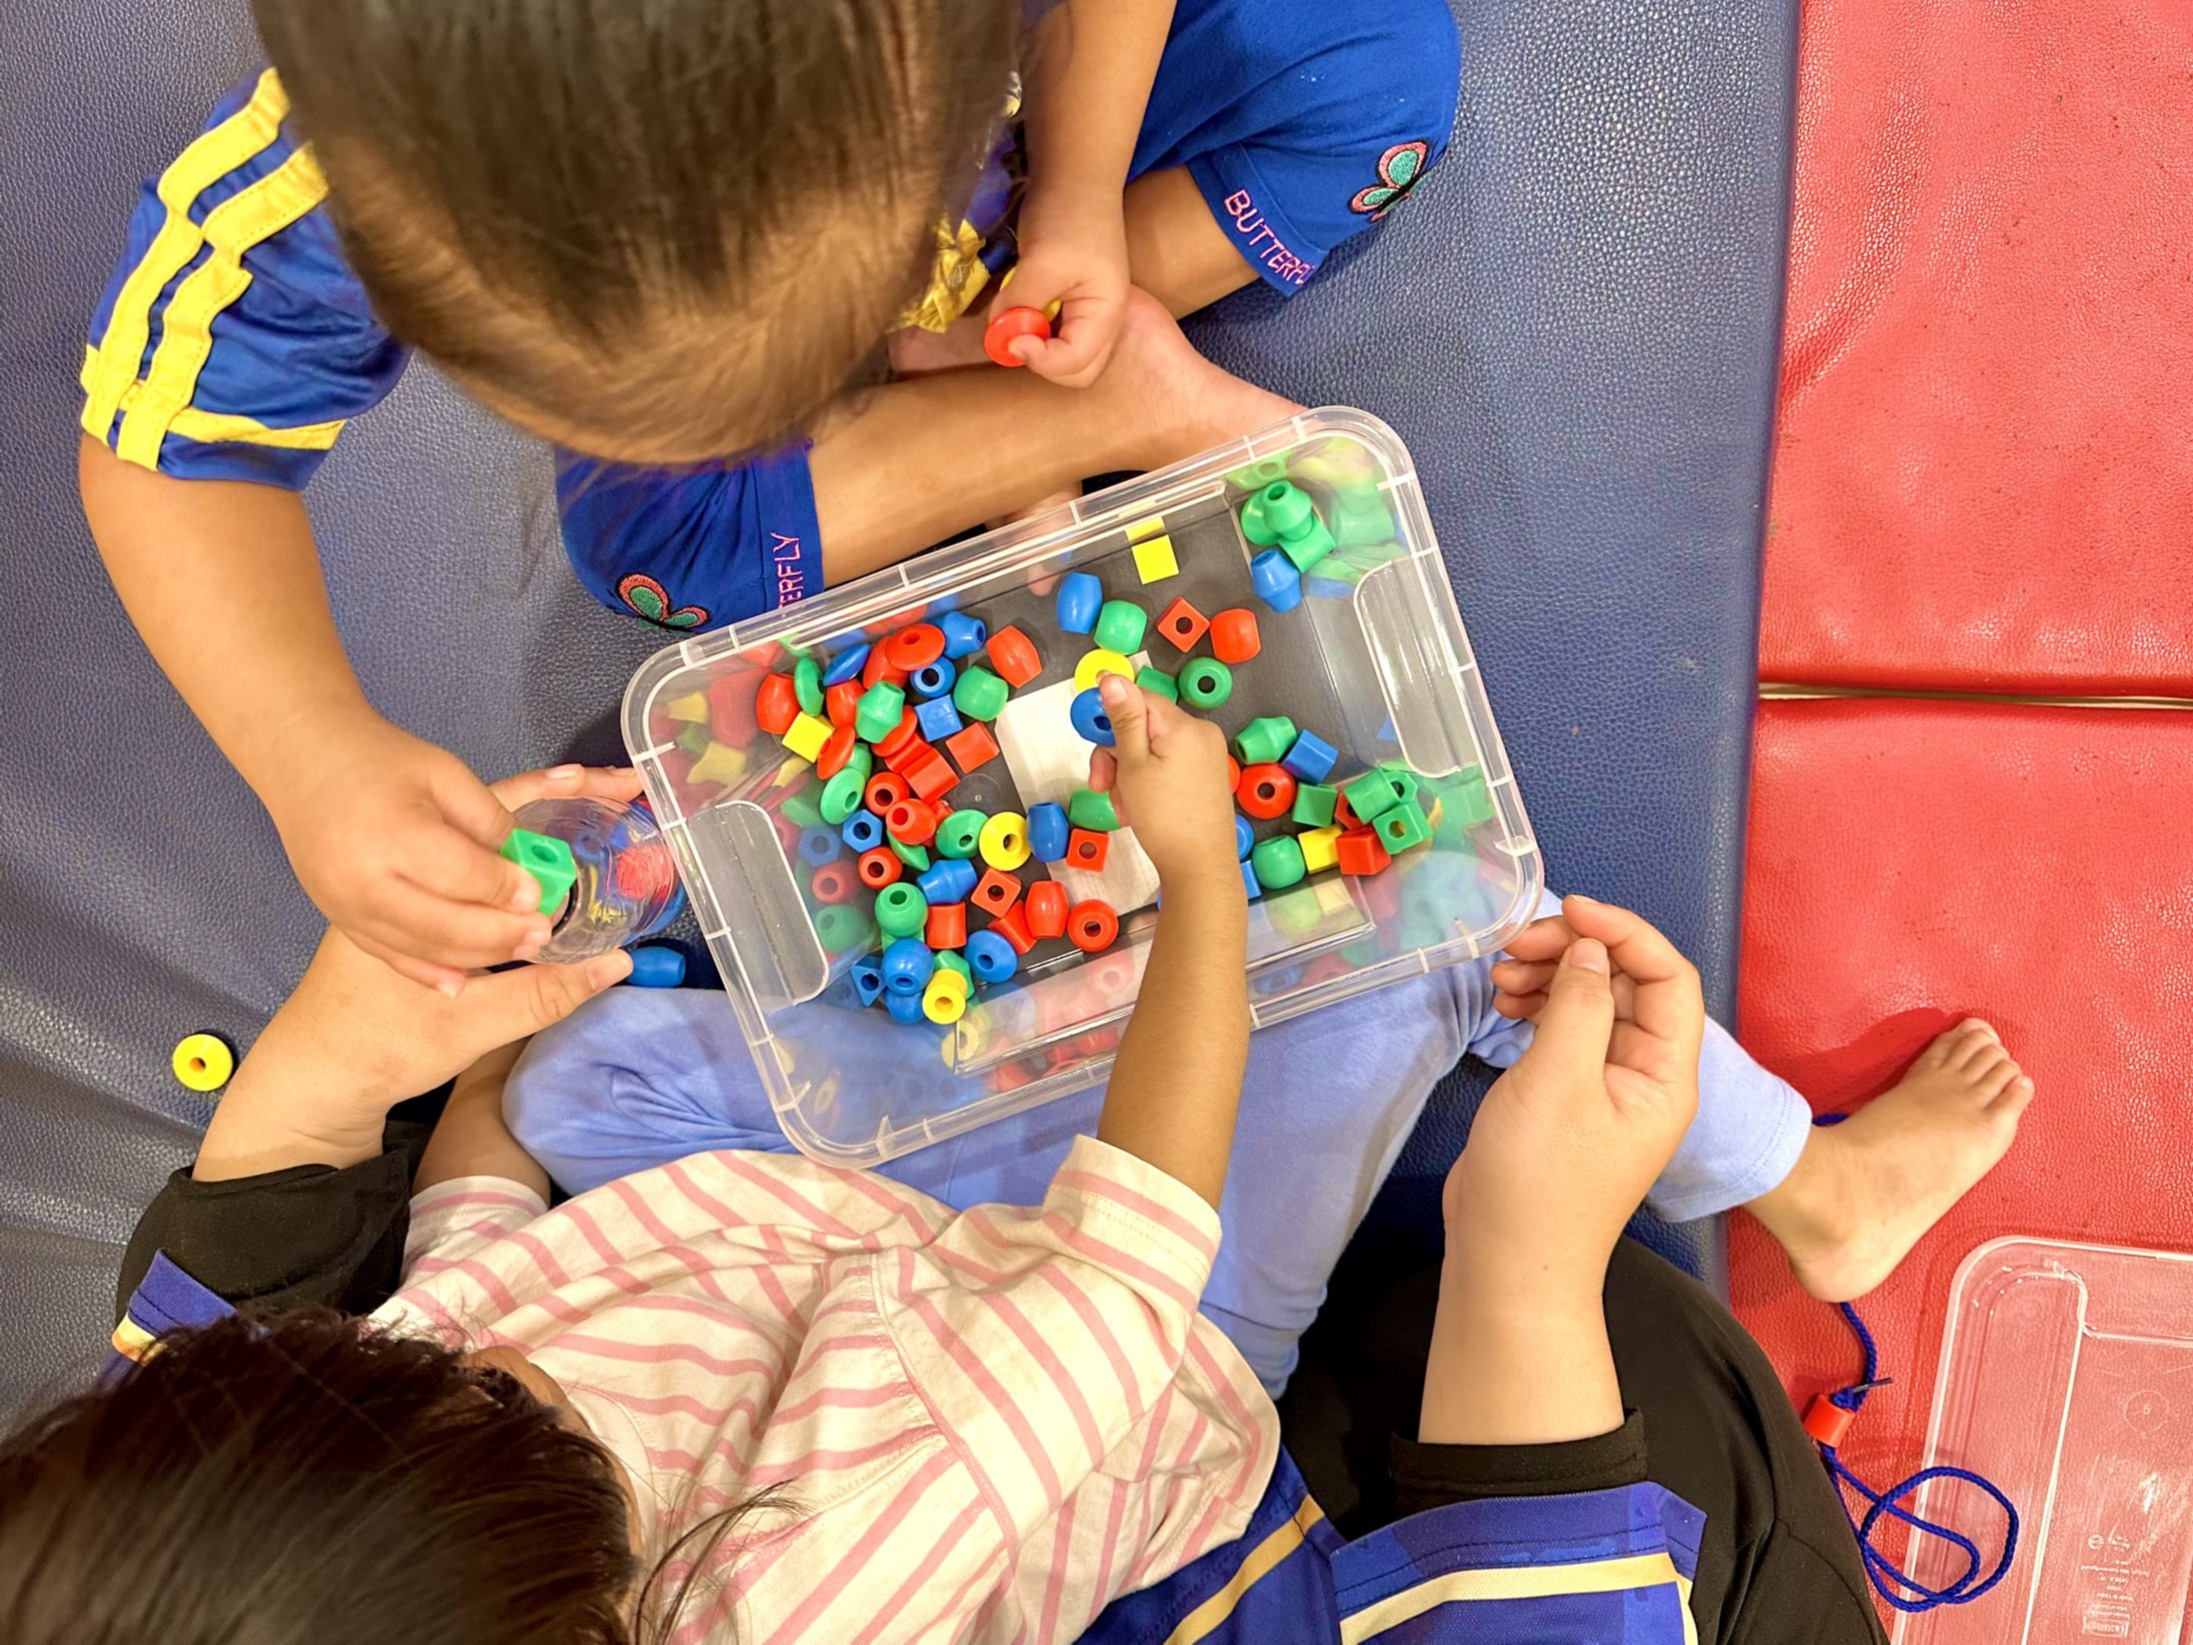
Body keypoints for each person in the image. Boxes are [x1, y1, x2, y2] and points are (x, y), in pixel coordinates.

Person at [0, 704, 1983, 1642]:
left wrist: (436, 1047)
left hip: (848, 1278)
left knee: (590, 1062)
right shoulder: (817, 1560)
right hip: (1144, 1348)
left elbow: (421, 1262)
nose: (436, 1338)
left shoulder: (288, 1471)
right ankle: (1813, 1193)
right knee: (1447, 922)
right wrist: (1198, 893)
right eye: (471, 1387)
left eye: (376, 1349)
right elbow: (1125, 1264)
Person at [76, 0, 1454, 994]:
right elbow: (164, 449)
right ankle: (1094, 395)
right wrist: (311, 757)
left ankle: (1024, 368)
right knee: (655, 547)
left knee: (1379, 70)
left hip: (1050, 95)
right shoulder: (331, 179)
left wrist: (1079, 199)